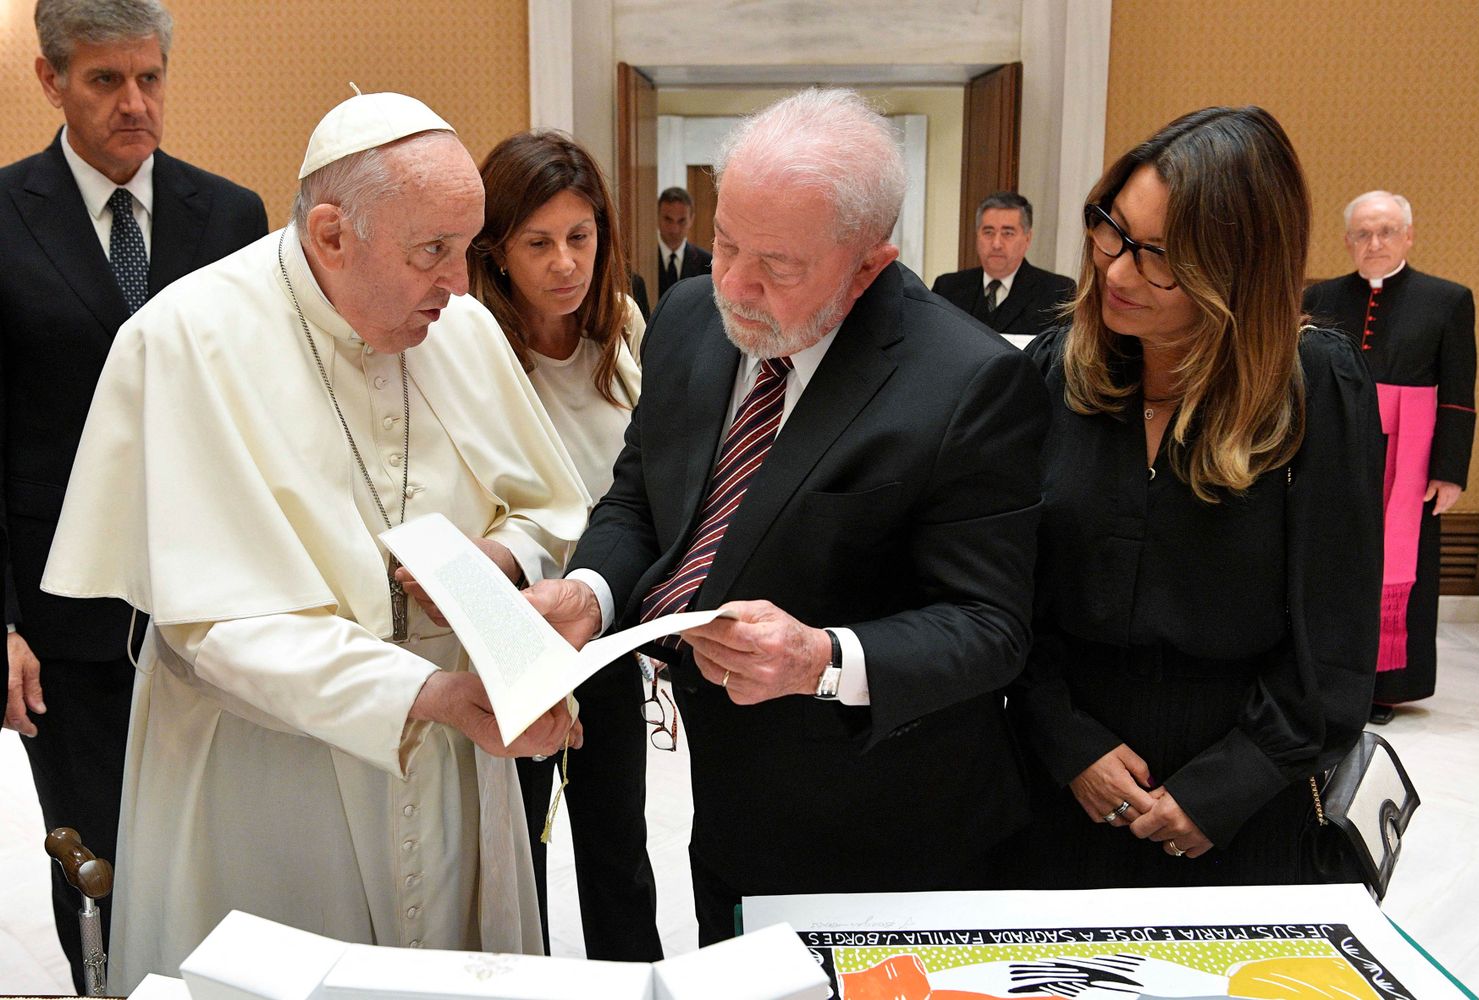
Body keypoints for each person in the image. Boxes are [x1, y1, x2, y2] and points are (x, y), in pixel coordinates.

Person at [39, 92, 590, 992]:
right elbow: (216, 625)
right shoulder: (188, 341)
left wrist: (498, 565)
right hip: (267, 774)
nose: (460, 284)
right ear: (332, 234)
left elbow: (543, 512)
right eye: (432, 252)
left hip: (452, 759)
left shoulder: (463, 328)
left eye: (468, 248)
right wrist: (430, 694)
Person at [523, 88, 1048, 944]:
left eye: (779, 266)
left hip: (882, 831)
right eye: (726, 242)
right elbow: (640, 498)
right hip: (723, 806)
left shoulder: (966, 381)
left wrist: (821, 656)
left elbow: (988, 625)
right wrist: (590, 591)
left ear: (870, 264)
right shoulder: (691, 319)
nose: (736, 284)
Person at [1011, 106, 1383, 888]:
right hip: (1060, 784)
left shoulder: (1315, 387)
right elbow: (1008, 593)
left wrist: (1227, 786)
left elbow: (1335, 638)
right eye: (1111, 229)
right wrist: (1066, 741)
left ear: (1239, 268)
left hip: (1243, 804)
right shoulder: (1057, 371)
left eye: (1159, 257)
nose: (1114, 270)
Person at [0, 0, 266, 989]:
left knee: (219, 851)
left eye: (149, 77)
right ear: (50, 79)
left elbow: (260, 416)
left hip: (214, 605)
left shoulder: (230, 214)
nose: (135, 102)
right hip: (65, 619)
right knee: (96, 858)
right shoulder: (3, 214)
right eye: (106, 80)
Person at [465, 129, 660, 962]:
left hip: (605, 613)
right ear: (497, 249)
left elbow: (645, 472)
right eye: (538, 243)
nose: (564, 264)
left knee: (617, 836)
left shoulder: (620, 323)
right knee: (521, 845)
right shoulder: (468, 342)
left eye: (580, 238)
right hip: (509, 625)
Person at [1303, 192, 1476, 722]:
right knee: (1331, 559)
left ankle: (1383, 687)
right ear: (1347, 242)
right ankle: (1321, 674)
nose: (1373, 243)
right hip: (1335, 446)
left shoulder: (1447, 299)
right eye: (1362, 234)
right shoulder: (1321, 295)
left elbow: (1458, 389)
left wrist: (1450, 471)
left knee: (1395, 567)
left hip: (1411, 458)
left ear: (1408, 235)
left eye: (1385, 231)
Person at [931, 191, 1075, 345]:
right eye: (988, 232)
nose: (996, 244)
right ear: (977, 236)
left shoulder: (1058, 293)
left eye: (1008, 233)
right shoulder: (948, 289)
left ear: (1027, 238)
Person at [655, 185, 711, 303]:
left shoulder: (707, 263)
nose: (674, 229)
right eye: (668, 219)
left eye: (682, 221)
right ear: (657, 217)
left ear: (691, 219)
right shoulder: (643, 261)